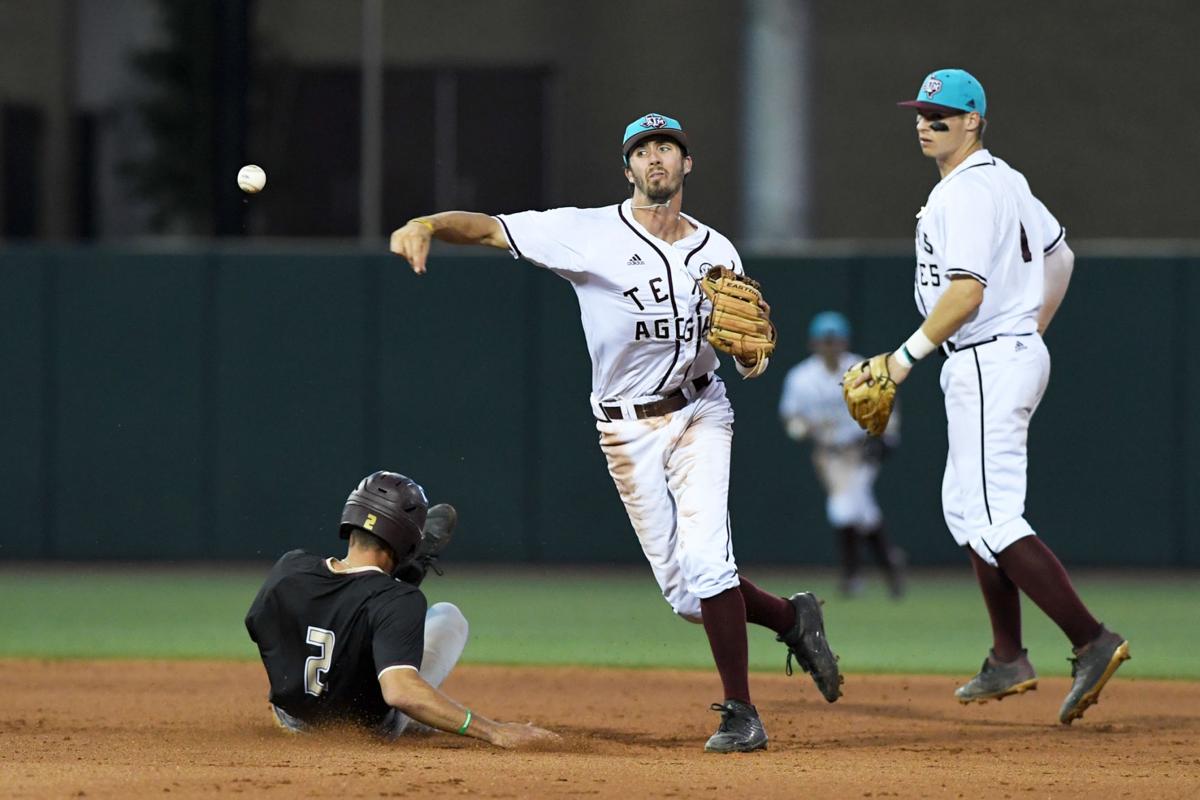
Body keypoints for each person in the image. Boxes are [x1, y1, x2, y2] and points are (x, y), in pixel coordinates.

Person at [389, 113, 843, 753]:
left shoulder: (720, 252)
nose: (656, 157)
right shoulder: (587, 232)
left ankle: (742, 713)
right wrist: (428, 223)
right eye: (642, 150)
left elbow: (739, 348)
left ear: (688, 164)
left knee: (710, 560)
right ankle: (792, 617)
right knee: (689, 595)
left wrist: (745, 357)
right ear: (627, 168)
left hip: (701, 413)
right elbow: (492, 229)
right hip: (627, 431)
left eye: (667, 147)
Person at [858, 69, 1128, 724]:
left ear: (974, 120)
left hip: (985, 357)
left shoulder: (968, 193)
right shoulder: (1006, 181)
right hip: (1005, 354)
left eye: (941, 114)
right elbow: (1060, 257)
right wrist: (1031, 327)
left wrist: (899, 362)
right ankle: (1008, 653)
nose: (926, 123)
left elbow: (967, 291)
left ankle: (1091, 640)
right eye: (921, 113)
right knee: (969, 510)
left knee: (992, 516)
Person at [245, 470, 558, 748]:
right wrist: (494, 731)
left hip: (290, 718)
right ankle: (406, 572)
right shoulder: (400, 600)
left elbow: (258, 625)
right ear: (407, 539)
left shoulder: (290, 567)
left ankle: (397, 577)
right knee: (448, 616)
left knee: (351, 618)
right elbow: (400, 692)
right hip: (367, 732)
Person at [779, 311, 906, 598]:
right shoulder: (801, 377)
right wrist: (799, 428)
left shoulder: (861, 369)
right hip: (828, 453)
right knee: (861, 510)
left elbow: (889, 405)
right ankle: (890, 564)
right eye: (825, 341)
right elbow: (791, 417)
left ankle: (852, 575)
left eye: (834, 341)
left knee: (844, 507)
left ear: (844, 342)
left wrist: (888, 436)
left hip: (861, 449)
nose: (830, 346)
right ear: (814, 344)